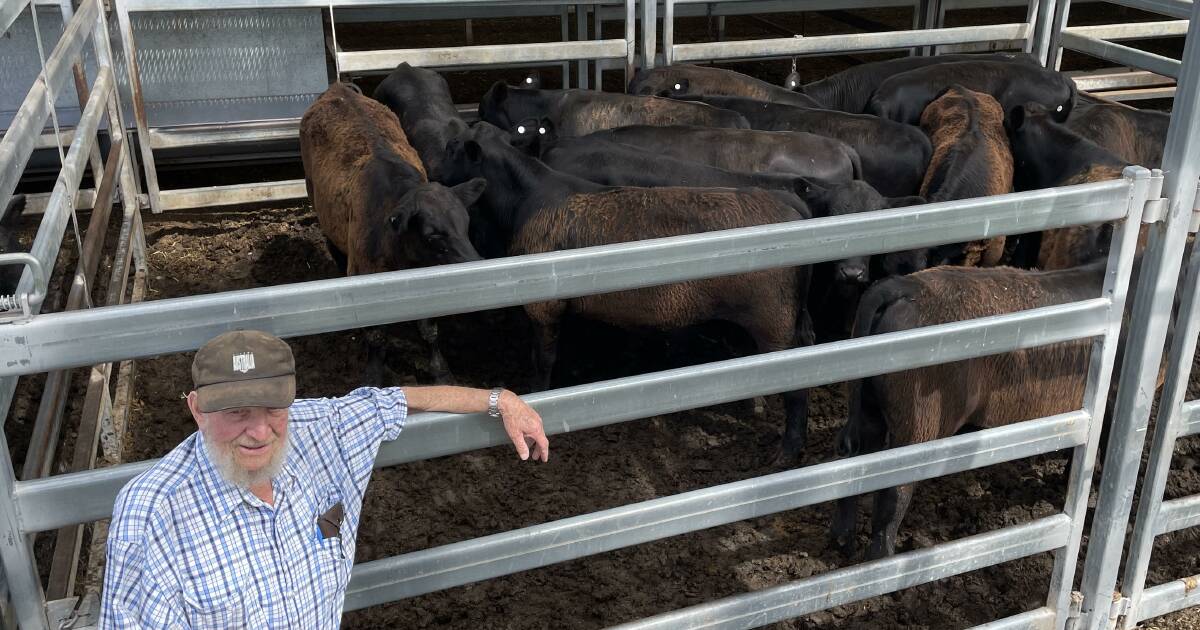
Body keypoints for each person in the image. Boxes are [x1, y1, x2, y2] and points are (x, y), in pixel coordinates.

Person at [99, 329, 549, 629]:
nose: (258, 432)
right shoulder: (152, 515)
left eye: (273, 409)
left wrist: (498, 400)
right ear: (197, 409)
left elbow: (397, 400)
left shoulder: (322, 430)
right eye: (235, 413)